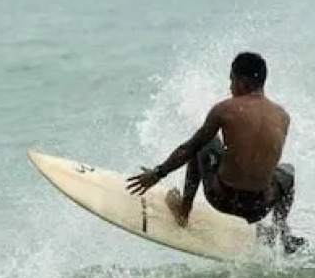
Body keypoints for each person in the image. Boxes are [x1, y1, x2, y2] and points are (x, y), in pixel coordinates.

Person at [126, 52, 303, 252]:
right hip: (260, 207)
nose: (230, 87)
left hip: (224, 199)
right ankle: (282, 232)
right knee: (288, 172)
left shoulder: (224, 109)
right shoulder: (282, 116)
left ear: (242, 81)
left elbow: (189, 148)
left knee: (205, 141)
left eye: (231, 80)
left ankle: (183, 211)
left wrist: (158, 173)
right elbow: (257, 160)